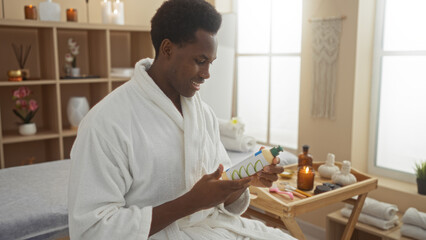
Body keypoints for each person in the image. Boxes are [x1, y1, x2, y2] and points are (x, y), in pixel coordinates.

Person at [68, 0, 296, 239]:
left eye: (211, 62)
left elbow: (217, 191)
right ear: (167, 49)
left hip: (215, 229)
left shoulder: (202, 113)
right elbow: (90, 230)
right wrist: (190, 203)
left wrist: (242, 181)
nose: (207, 74)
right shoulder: (106, 122)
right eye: (200, 61)